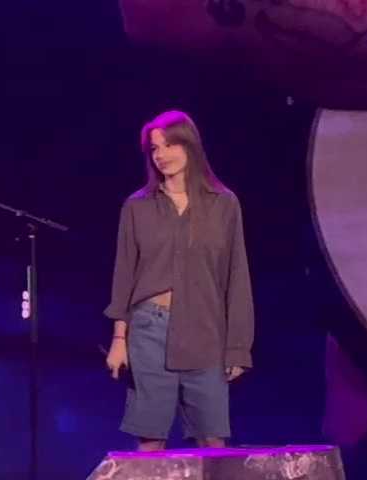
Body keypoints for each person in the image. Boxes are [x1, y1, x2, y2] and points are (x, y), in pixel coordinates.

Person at [103, 110, 254, 451]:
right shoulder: (137, 206)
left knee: (212, 441)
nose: (161, 155)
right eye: (155, 148)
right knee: (150, 443)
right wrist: (119, 339)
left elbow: (237, 277)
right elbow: (124, 275)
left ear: (190, 146)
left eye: (170, 145)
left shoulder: (224, 204)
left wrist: (238, 347)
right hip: (148, 330)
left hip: (206, 331)